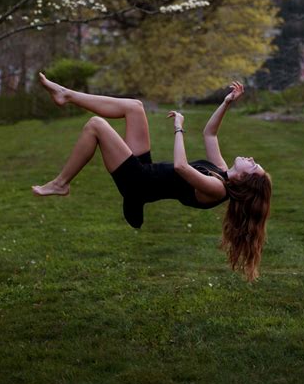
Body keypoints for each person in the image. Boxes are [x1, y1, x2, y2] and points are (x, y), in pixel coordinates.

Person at [32, 74, 272, 281]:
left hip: (137, 183)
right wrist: (226, 102)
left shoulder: (217, 189)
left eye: (253, 166)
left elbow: (181, 167)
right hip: (146, 171)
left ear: (243, 180)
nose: (251, 159)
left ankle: (61, 183)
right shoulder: (221, 171)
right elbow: (210, 134)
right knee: (135, 107)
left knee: (96, 125)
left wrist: (178, 127)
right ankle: (66, 94)